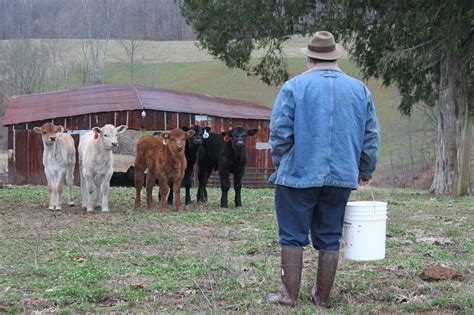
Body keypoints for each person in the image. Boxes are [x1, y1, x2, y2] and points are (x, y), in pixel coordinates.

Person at [267, 31, 380, 308]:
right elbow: (370, 135)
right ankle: (323, 297)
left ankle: (288, 295)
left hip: (298, 175)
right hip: (341, 175)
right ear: (335, 56)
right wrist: (364, 168)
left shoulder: (294, 86)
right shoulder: (359, 89)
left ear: (309, 57)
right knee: (330, 236)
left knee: (292, 235)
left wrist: (281, 162)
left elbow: (280, 132)